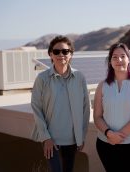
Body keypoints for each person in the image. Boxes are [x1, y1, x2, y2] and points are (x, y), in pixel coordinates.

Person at [31, 35, 90, 172]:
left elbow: (86, 108)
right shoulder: (42, 78)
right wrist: (46, 138)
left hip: (72, 140)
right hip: (51, 140)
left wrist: (81, 136)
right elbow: (36, 108)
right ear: (51, 54)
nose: (61, 55)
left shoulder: (79, 77)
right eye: (56, 51)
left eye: (65, 51)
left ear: (71, 54)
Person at [93, 43, 130, 172]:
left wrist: (119, 136)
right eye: (114, 57)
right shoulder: (102, 85)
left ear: (128, 59)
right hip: (105, 145)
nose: (119, 60)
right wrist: (109, 134)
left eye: (122, 56)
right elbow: (97, 116)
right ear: (110, 61)